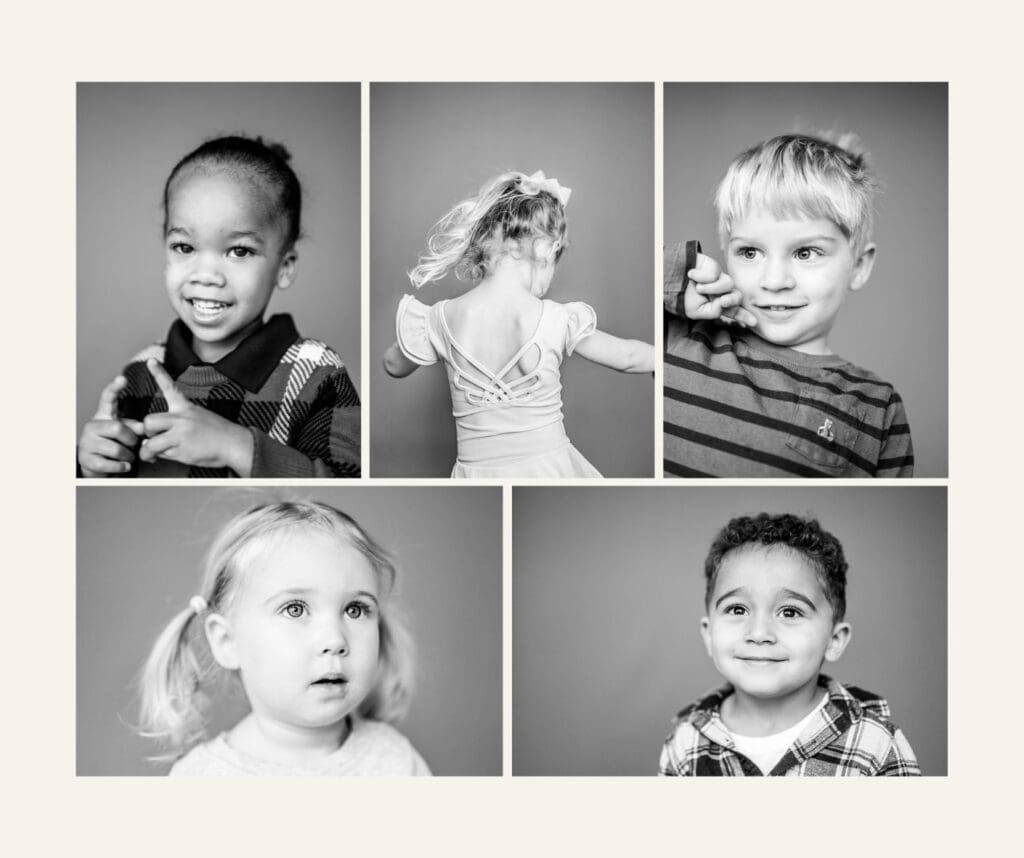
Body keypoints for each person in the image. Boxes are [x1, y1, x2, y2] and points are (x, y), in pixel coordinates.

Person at [77, 136, 360, 478]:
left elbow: (345, 478)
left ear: (284, 267)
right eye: (184, 247)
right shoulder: (142, 371)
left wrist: (234, 445)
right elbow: (117, 476)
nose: (206, 276)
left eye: (238, 251)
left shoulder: (315, 372)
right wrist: (91, 466)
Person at [663, 133, 913, 477]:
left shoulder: (875, 405)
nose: (775, 280)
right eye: (750, 252)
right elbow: (632, 282)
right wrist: (678, 282)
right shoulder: (682, 335)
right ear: (727, 254)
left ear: (859, 266)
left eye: (805, 253)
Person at [383, 171, 654, 478]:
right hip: (549, 470)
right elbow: (628, 358)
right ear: (545, 250)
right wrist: (664, 361)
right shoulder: (556, 319)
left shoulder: (442, 317)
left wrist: (421, 338)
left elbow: (393, 365)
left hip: (477, 475)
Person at [139, 501, 429, 776]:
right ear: (227, 642)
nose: (335, 640)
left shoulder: (396, 760)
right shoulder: (201, 777)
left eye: (355, 610)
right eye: (295, 609)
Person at [659, 512, 919, 776]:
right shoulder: (685, 743)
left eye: (790, 612)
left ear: (834, 640)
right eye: (737, 609)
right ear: (709, 634)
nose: (759, 633)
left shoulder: (875, 745)